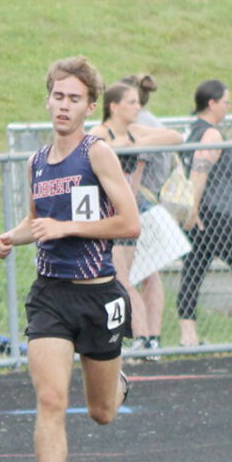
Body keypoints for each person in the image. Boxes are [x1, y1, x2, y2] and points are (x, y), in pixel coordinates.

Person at [0, 57, 139, 462]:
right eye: (58, 96)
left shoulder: (98, 154)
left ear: (90, 107)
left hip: (98, 294)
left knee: (102, 412)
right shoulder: (36, 162)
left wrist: (67, 227)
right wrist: (11, 237)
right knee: (52, 397)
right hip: (51, 295)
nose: (64, 105)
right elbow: (38, 222)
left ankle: (117, 382)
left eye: (74, 99)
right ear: (48, 99)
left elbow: (130, 223)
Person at [88, 81, 182, 358]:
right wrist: (120, 146)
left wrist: (137, 143)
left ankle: (150, 339)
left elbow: (176, 137)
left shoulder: (135, 131)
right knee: (123, 278)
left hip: (133, 212)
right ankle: (142, 337)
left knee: (145, 275)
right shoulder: (99, 134)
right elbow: (91, 155)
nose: (138, 107)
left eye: (138, 102)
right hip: (109, 215)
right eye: (131, 102)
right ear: (114, 107)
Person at [177, 79, 232, 347]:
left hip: (201, 216)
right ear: (212, 104)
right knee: (193, 270)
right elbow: (200, 172)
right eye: (226, 102)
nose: (228, 107)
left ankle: (188, 337)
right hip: (217, 215)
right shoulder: (211, 134)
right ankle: (189, 337)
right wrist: (193, 208)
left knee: (193, 272)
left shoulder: (191, 130)